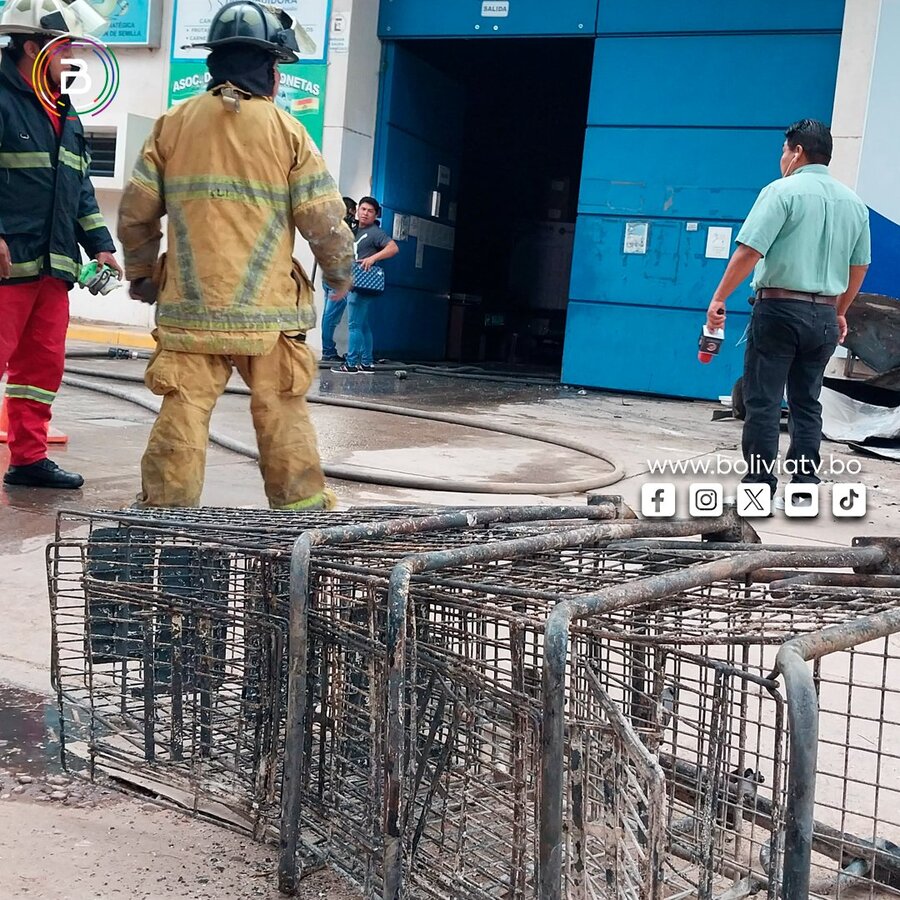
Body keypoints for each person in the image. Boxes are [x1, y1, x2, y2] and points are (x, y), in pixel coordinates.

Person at [118, 0, 353, 510]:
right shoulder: (287, 131)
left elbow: (136, 213)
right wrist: (339, 274)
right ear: (270, 69)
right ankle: (300, 517)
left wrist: (140, 273)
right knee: (282, 409)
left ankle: (165, 517)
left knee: (183, 409)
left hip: (191, 308)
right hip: (267, 313)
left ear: (214, 62)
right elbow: (324, 220)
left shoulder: (172, 124)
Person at [707, 119, 870, 506]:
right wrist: (840, 311)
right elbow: (859, 266)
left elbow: (750, 250)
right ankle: (804, 487)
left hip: (779, 310)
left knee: (763, 401)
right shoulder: (854, 204)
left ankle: (759, 489)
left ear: (797, 151)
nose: (781, 158)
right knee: (807, 402)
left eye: (784, 151)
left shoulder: (781, 192)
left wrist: (719, 298)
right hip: (825, 317)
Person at [0, 0, 120, 490]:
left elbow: (79, 188)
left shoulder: (64, 110)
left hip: (52, 267)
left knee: (40, 368)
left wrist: (101, 245)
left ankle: (28, 460)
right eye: (64, 47)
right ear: (34, 48)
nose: (72, 57)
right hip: (7, 265)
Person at [331, 196, 399, 374]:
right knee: (363, 325)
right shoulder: (355, 231)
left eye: (370, 211)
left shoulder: (375, 232)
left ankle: (351, 364)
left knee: (354, 325)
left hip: (363, 284)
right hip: (356, 283)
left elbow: (393, 248)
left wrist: (372, 258)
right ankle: (367, 363)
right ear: (357, 210)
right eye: (363, 209)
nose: (365, 213)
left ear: (375, 214)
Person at [320, 196, 358, 362]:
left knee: (328, 315)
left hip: (329, 276)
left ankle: (328, 350)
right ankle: (328, 351)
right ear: (349, 211)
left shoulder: (330, 225)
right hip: (338, 277)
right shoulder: (342, 229)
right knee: (330, 317)